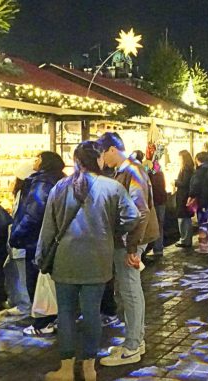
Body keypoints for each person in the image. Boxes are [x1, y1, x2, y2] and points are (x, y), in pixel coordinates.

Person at [37, 141, 139, 381]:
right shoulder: (112, 187)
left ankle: (65, 369)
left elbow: (48, 228)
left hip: (65, 259)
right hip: (98, 257)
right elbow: (132, 216)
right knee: (92, 312)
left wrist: (41, 256)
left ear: (76, 161)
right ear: (99, 160)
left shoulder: (60, 187)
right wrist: (113, 229)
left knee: (66, 312)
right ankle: (89, 368)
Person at [97, 133, 159, 367]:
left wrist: (132, 245)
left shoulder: (131, 171)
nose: (102, 160)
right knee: (130, 290)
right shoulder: (128, 170)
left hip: (129, 240)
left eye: (103, 154)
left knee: (130, 290)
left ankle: (133, 346)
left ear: (112, 149)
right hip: (129, 239)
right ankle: (135, 340)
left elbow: (140, 211)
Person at [8, 152, 66, 335]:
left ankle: (43, 322)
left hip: (37, 239)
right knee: (51, 281)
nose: (35, 161)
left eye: (38, 158)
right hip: (53, 238)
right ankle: (55, 318)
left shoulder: (42, 183)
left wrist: (17, 235)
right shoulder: (60, 180)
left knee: (36, 281)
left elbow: (35, 212)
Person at [3, 162, 35, 318]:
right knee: (13, 269)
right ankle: (19, 302)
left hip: (21, 240)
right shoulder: (25, 193)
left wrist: (17, 236)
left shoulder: (25, 194)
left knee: (21, 274)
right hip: (18, 239)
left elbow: (23, 217)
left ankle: (25, 305)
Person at [189, 152, 208, 254]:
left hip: (203, 201)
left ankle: (204, 247)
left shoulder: (199, 172)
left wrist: (191, 195)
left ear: (197, 160)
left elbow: (195, 187)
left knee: (203, 224)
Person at [146, 158, 167, 258]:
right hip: (161, 201)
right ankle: (158, 248)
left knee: (154, 225)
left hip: (154, 202)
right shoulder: (160, 174)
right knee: (160, 225)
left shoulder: (149, 175)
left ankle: (155, 248)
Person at [174, 150, 195, 248]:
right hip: (186, 196)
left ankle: (185, 239)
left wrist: (176, 182)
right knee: (186, 218)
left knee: (183, 218)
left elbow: (184, 183)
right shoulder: (190, 168)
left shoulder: (186, 169)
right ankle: (187, 239)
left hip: (183, 196)